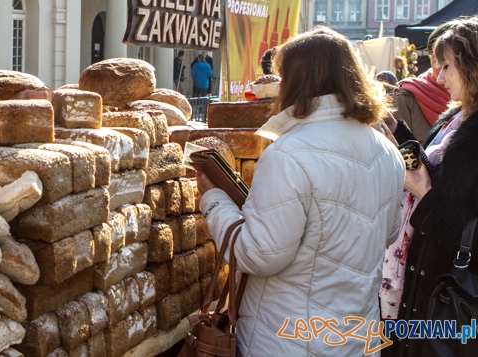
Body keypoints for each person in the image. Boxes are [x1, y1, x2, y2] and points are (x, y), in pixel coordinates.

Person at [197, 26, 404, 356]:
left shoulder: (289, 153)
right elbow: (388, 232)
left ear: (296, 80)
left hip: (290, 339)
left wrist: (213, 199)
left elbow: (259, 255)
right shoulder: (387, 151)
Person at [386, 18, 478, 357]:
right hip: (425, 276)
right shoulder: (457, 115)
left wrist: (424, 194)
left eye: (446, 66)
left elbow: (469, 227)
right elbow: (435, 168)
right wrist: (397, 130)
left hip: (453, 289)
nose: (438, 77)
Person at [391, 22, 454, 141]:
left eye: (447, 63)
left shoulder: (470, 100)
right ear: (430, 56)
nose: (441, 69)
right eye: (437, 58)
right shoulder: (407, 98)